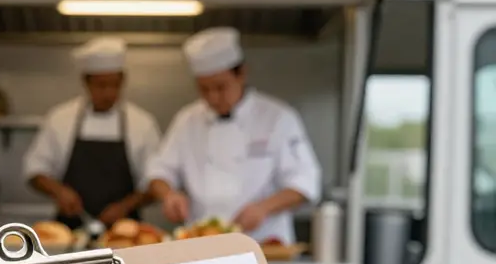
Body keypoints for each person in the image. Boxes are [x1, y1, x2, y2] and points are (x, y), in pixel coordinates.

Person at [146, 27, 321, 244]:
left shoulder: (277, 118)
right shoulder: (187, 120)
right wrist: (169, 195)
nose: (213, 97)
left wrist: (263, 208)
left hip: (263, 244)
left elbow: (304, 182)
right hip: (202, 246)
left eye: (220, 87)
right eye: (204, 89)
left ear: (241, 74)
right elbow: (159, 171)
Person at [22, 37, 161, 230]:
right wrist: (58, 191)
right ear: (85, 82)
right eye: (101, 85)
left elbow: (157, 181)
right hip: (68, 232)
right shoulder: (60, 118)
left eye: (115, 85)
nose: (108, 93)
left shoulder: (142, 123)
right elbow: (34, 170)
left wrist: (125, 206)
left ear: (123, 80)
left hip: (126, 232)